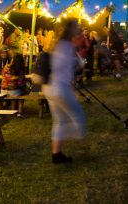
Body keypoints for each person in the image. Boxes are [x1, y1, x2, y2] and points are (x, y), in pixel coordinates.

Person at [42, 19, 86, 164]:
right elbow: (65, 66)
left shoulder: (56, 44)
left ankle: (57, 154)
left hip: (49, 87)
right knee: (79, 117)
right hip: (58, 88)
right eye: (76, 27)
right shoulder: (65, 46)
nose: (78, 30)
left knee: (59, 121)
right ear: (70, 29)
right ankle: (76, 136)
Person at [0, 53, 26, 118]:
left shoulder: (6, 67)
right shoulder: (20, 70)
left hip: (3, 91)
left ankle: (12, 112)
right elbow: (20, 83)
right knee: (22, 94)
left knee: (14, 92)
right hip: (13, 92)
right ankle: (19, 112)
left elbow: (2, 74)